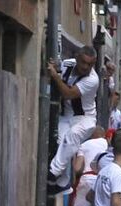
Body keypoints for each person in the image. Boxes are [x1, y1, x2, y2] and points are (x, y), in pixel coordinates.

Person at [47, 47, 100, 194]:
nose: (85, 67)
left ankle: (53, 172)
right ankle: (63, 183)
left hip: (85, 118)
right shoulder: (68, 64)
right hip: (67, 116)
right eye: (83, 62)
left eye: (90, 64)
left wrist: (55, 76)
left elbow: (68, 93)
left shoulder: (92, 80)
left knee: (72, 136)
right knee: (60, 142)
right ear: (77, 58)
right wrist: (54, 68)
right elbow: (58, 68)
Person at [68, 127, 108, 206]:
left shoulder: (84, 145)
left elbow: (77, 168)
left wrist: (73, 158)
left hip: (87, 178)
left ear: (91, 135)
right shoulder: (106, 143)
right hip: (103, 180)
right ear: (103, 135)